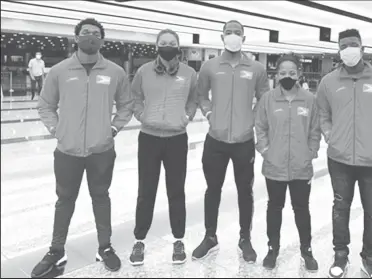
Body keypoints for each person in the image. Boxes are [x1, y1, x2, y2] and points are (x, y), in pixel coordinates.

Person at [32, 18, 133, 278]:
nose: (90, 36)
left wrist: (113, 129)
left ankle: (105, 247)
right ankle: (56, 250)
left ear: (102, 40)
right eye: (85, 32)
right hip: (67, 151)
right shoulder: (59, 71)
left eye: (96, 33)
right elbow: (45, 105)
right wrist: (57, 130)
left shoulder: (114, 72)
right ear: (76, 37)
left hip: (101, 150)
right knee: (64, 200)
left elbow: (126, 105)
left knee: (101, 198)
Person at [316, 29, 372, 278]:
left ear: (362, 48)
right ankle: (340, 256)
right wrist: (329, 135)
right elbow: (322, 114)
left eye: (353, 44)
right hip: (339, 159)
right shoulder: (329, 82)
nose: (349, 50)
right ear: (338, 51)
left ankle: (370, 259)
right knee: (340, 208)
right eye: (344, 46)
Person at [192, 20, 270, 263]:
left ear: (244, 37)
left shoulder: (256, 68)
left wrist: (253, 120)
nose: (233, 36)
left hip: (244, 140)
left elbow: (264, 99)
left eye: (238, 32)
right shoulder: (210, 66)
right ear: (221, 36)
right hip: (215, 140)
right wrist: (208, 114)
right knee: (212, 189)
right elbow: (201, 95)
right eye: (229, 32)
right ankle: (210, 236)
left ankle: (245, 238)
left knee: (245, 191)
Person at [129, 29, 198, 266]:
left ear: (178, 47)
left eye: (171, 43)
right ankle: (139, 241)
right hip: (149, 138)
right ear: (157, 46)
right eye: (163, 42)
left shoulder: (189, 73)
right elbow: (135, 97)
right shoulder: (144, 71)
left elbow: (193, 100)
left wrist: (186, 117)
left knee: (176, 191)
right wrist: (142, 115)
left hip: (177, 139)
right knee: (145, 192)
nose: (167, 46)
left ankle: (178, 240)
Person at [255, 54, 321, 270]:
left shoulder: (309, 100)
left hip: (301, 167)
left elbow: (314, 129)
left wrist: (311, 152)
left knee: (301, 208)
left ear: (299, 74)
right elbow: (261, 127)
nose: (287, 76)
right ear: (277, 74)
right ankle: (272, 249)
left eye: (292, 73)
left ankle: (306, 250)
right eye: (283, 73)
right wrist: (265, 150)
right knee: (274, 208)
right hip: (274, 166)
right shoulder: (268, 99)